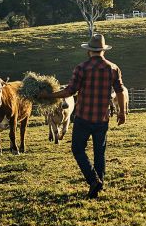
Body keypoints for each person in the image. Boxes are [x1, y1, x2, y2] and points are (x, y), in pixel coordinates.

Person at [41, 33, 126, 198]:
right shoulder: (113, 68)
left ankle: (94, 181)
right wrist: (122, 112)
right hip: (102, 118)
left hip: (83, 117)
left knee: (77, 149)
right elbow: (120, 91)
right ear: (103, 51)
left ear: (89, 51)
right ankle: (98, 185)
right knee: (99, 152)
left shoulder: (81, 68)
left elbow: (70, 91)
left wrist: (49, 96)